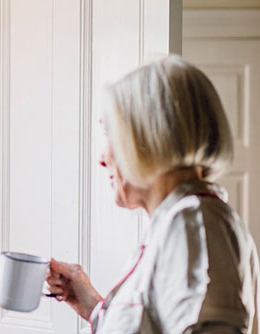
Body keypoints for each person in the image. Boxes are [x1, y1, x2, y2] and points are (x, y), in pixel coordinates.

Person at [47, 56, 260, 333]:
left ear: (149, 137)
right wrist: (93, 307)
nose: (102, 157)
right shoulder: (179, 222)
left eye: (110, 133)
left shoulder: (195, 223)